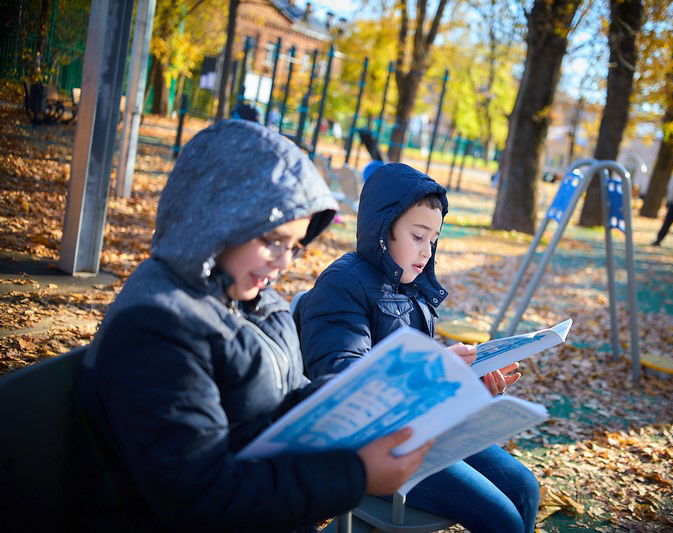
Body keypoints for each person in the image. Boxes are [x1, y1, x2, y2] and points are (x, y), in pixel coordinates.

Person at [78, 121, 431, 531]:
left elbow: (285, 400)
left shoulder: (253, 300)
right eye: (273, 241)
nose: (283, 262)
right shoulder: (157, 326)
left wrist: (380, 395)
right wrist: (356, 475)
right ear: (220, 216)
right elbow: (202, 497)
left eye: (294, 247)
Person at [295, 162, 540, 533]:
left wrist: (469, 384)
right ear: (383, 229)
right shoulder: (341, 285)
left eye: (433, 239)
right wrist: (432, 369)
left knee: (524, 487)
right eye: (418, 236)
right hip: (374, 447)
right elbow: (342, 384)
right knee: (502, 518)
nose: (426, 251)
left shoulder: (412, 286)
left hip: (425, 428)